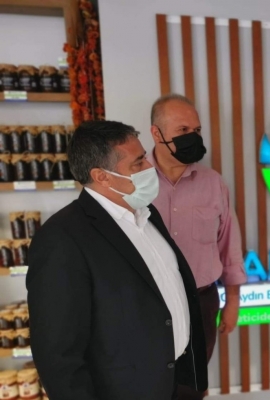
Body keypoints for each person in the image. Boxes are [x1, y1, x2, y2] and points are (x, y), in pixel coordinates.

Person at [26, 121, 208, 400]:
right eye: (138, 162)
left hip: (172, 381)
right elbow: (57, 356)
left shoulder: (147, 214)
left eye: (144, 157)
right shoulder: (62, 239)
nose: (149, 167)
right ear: (102, 176)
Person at [148, 94, 246, 400]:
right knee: (149, 384)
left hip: (201, 301)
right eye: (183, 130)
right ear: (156, 133)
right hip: (148, 303)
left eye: (197, 129)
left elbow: (229, 243)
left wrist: (233, 301)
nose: (193, 137)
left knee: (191, 388)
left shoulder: (213, 183)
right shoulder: (132, 182)